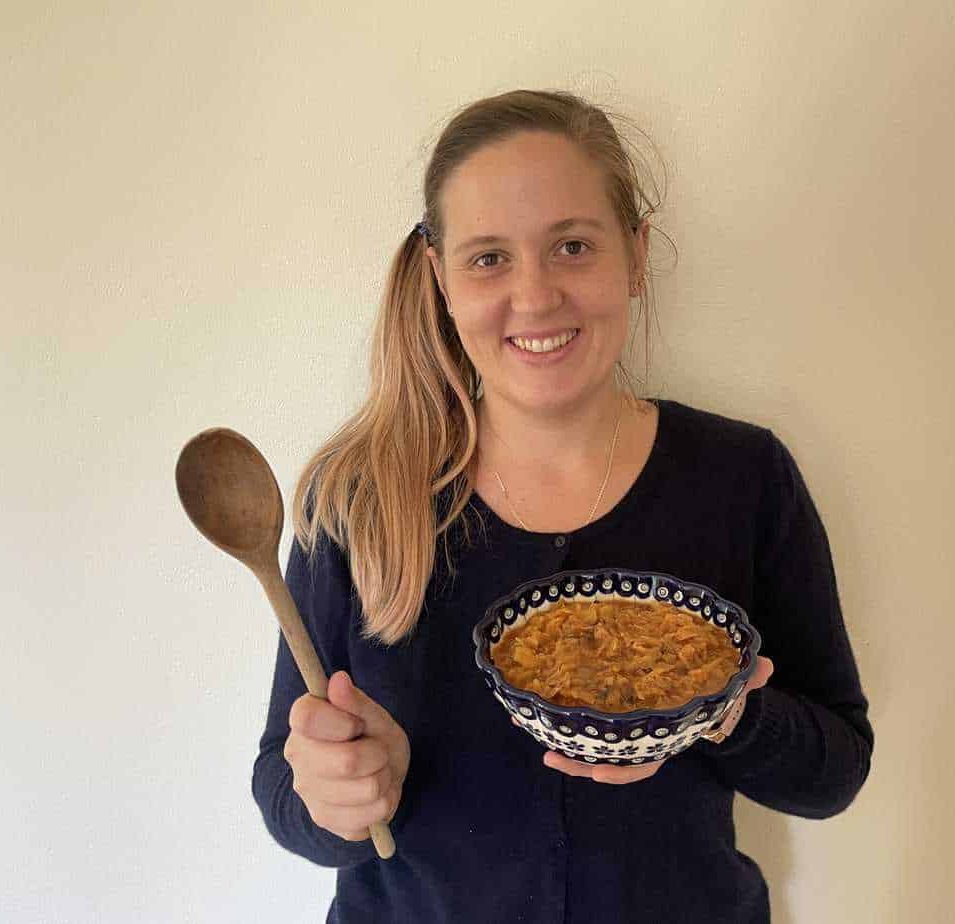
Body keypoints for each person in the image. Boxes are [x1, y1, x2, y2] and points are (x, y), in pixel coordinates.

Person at [252, 88, 873, 924]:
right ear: (438, 277)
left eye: (572, 246)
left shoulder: (741, 477)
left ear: (636, 255)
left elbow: (833, 773)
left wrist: (723, 712)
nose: (536, 296)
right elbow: (284, 793)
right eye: (488, 258)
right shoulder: (358, 500)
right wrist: (340, 800)